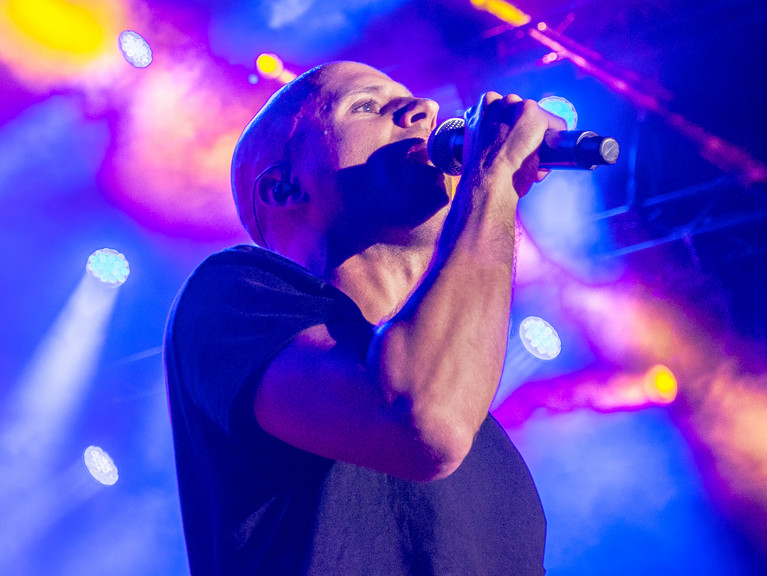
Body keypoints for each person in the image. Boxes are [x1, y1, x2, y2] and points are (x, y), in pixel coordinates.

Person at [164, 61, 563, 575]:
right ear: (284, 189)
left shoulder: (495, 457)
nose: (424, 109)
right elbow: (423, 421)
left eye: (412, 98)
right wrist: (493, 181)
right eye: (367, 106)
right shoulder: (230, 296)